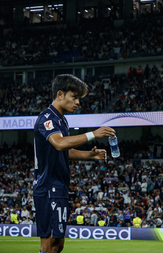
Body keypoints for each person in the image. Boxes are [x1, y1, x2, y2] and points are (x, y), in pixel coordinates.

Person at [33, 74, 116, 253]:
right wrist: (94, 134)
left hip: (59, 185)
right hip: (48, 186)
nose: (78, 102)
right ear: (60, 94)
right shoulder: (47, 117)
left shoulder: (61, 120)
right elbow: (60, 143)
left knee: (57, 245)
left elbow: (63, 151)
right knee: (49, 244)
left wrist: (90, 155)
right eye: (75, 97)